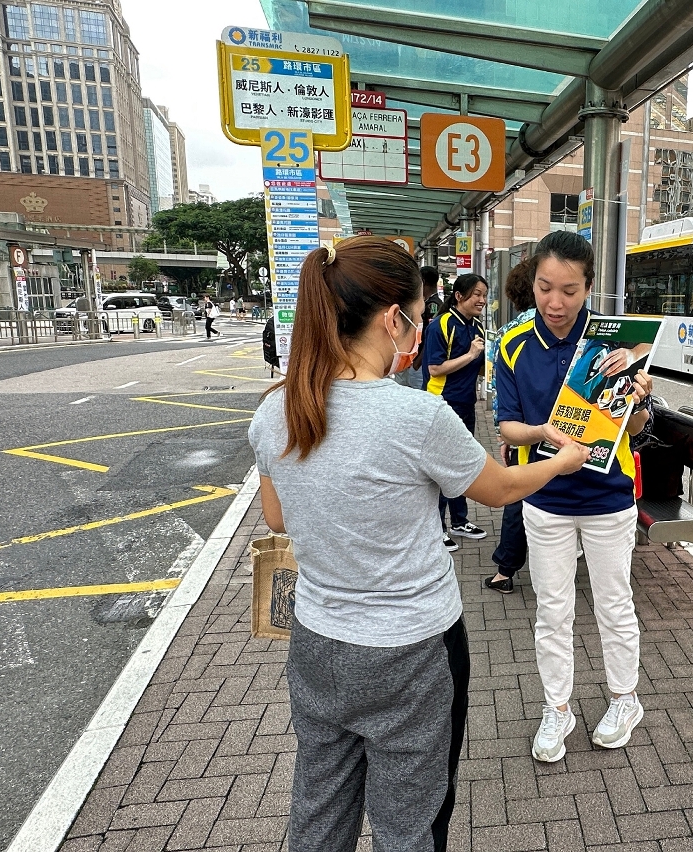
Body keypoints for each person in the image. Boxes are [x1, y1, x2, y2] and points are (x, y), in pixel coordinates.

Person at [247, 237, 587, 852]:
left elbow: (277, 517)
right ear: (391, 320)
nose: (420, 329)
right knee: (409, 821)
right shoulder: (417, 418)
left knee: (319, 804)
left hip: (318, 640)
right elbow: (501, 490)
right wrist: (562, 462)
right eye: (419, 315)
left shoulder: (278, 409)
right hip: (414, 650)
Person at [494, 230, 654, 763]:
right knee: (552, 611)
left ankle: (625, 700)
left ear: (589, 288)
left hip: (609, 497)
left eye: (569, 290)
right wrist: (543, 432)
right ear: (532, 282)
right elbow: (507, 427)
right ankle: (557, 708)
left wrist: (639, 400)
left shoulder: (617, 342)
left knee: (614, 604)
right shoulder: (513, 344)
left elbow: (634, 430)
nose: (555, 302)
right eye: (545, 287)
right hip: (545, 498)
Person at [484, 260, 539, 594]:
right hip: (571, 430)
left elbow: (499, 393)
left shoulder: (508, 334)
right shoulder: (571, 326)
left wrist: (505, 434)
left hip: (524, 433)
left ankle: (505, 571)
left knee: (518, 497)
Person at [425, 273, 489, 552]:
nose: (482, 300)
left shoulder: (477, 326)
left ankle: (459, 521)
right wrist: (471, 355)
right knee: (442, 468)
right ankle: (437, 527)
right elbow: (434, 369)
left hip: (466, 403)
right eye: (476, 294)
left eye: (484, 295)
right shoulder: (441, 325)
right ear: (459, 296)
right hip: (442, 403)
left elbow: (480, 367)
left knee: (461, 464)